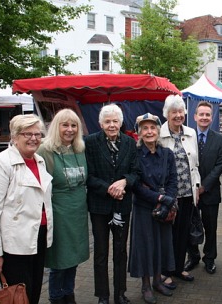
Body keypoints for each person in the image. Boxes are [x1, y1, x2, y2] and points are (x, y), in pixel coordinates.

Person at [0, 114, 53, 304]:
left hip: (38, 236)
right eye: (27, 133)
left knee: (33, 291)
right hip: (14, 244)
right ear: (15, 136)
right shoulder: (1, 164)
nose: (34, 138)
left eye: (38, 134)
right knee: (17, 295)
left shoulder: (39, 161)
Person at [85, 104, 140, 304]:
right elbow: (88, 176)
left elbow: (136, 172)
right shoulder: (89, 142)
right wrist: (109, 188)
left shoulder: (129, 143)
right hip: (99, 207)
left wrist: (125, 181)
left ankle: (120, 293)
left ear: (120, 122)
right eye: (107, 121)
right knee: (100, 253)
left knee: (120, 251)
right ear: (101, 123)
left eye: (115, 121)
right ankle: (103, 295)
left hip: (122, 206)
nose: (111, 125)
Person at [37, 109, 89, 304]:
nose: (70, 130)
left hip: (78, 211)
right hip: (58, 210)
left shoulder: (80, 149)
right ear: (56, 127)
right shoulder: (45, 151)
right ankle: (56, 296)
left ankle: (69, 292)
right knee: (59, 259)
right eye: (65, 125)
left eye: (74, 125)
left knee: (73, 257)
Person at [129, 113, 178, 304]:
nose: (149, 132)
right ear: (139, 132)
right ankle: (146, 286)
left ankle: (158, 281)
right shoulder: (135, 155)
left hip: (164, 207)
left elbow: (173, 180)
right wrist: (159, 198)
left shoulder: (167, 154)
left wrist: (168, 201)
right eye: (145, 128)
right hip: (143, 208)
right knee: (145, 247)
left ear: (158, 130)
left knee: (161, 245)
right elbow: (136, 186)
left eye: (152, 128)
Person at [159, 94, 201, 286]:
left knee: (183, 233)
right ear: (166, 114)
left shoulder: (191, 133)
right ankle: (164, 271)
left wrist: (197, 187)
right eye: (173, 112)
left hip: (187, 192)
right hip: (168, 195)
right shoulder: (159, 135)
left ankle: (178, 268)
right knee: (167, 235)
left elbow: (195, 164)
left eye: (180, 111)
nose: (178, 115)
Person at [184, 101, 222, 275]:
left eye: (207, 114)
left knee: (211, 227)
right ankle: (193, 256)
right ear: (194, 117)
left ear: (212, 116)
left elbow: (219, 165)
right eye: (201, 114)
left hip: (210, 192)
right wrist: (193, 187)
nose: (204, 117)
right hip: (188, 191)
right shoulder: (187, 137)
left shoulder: (220, 139)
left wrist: (203, 186)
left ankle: (209, 258)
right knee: (189, 225)